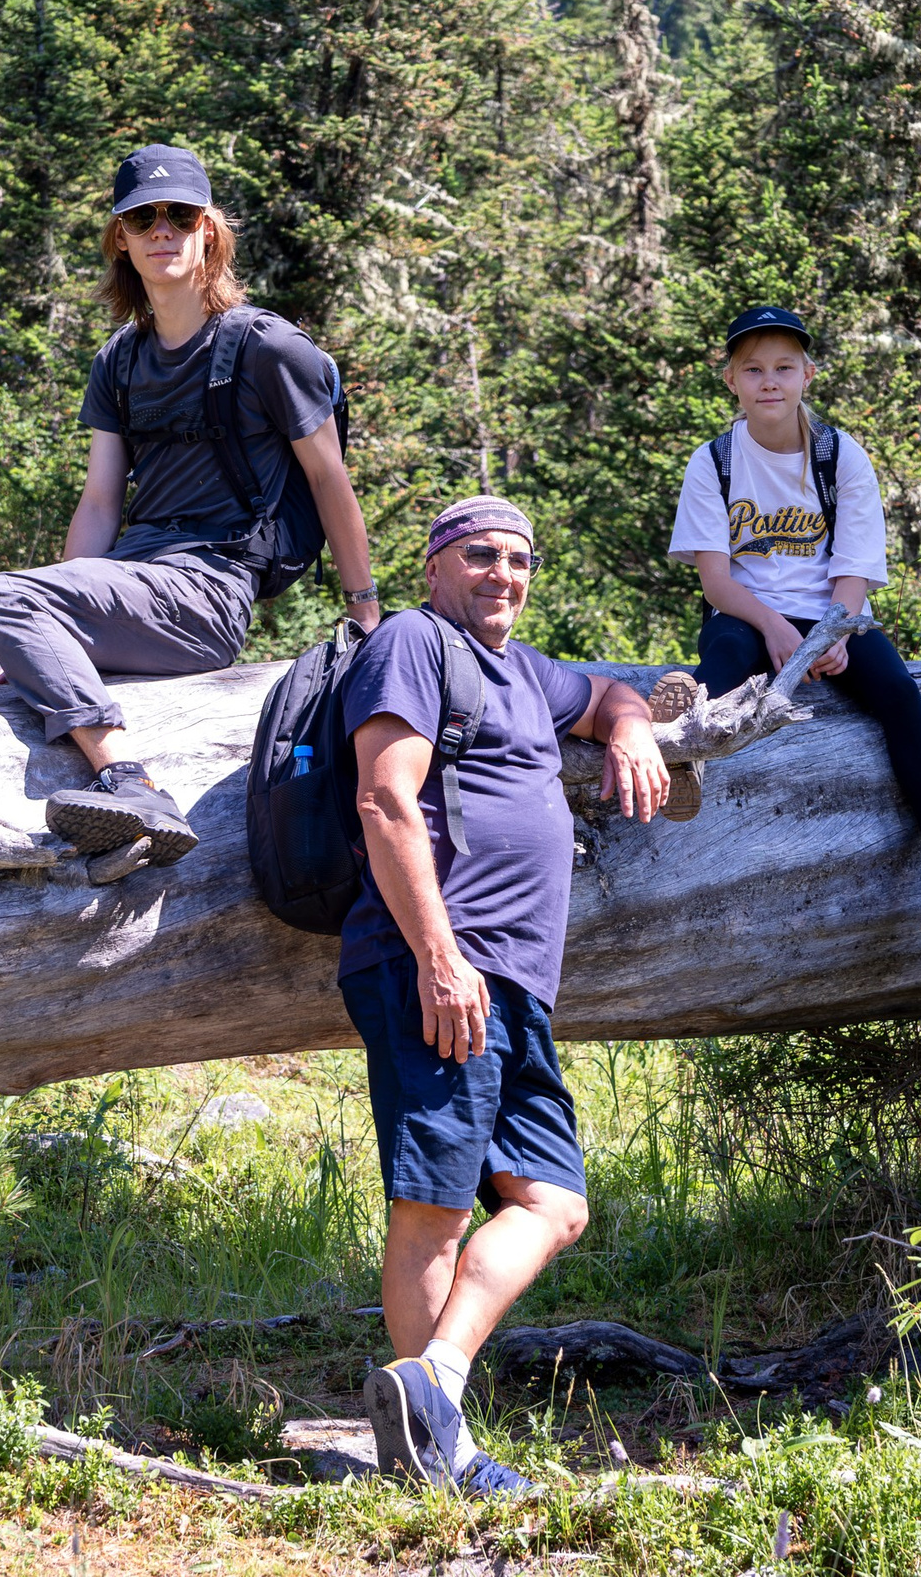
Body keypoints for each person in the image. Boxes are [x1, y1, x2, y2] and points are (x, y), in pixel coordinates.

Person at [0, 144, 381, 872]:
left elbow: (332, 481)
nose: (162, 230)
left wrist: (364, 610)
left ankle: (129, 781)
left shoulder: (267, 348)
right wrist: (47, 626)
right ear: (122, 237)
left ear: (209, 229)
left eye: (180, 214)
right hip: (127, 583)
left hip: (206, 591)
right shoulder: (120, 359)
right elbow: (100, 502)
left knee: (0, 596)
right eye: (143, 217)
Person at [343, 496, 668, 1496]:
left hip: (514, 984)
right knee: (434, 1209)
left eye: (520, 559)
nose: (503, 574)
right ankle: (435, 1458)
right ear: (434, 565)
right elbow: (385, 796)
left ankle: (433, 1385)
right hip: (441, 967)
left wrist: (633, 729)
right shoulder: (411, 641)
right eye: (480, 554)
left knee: (554, 1201)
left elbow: (608, 692)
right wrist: (439, 959)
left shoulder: (526, 673)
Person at [664, 305, 921, 939]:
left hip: (835, 614)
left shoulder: (840, 457)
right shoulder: (714, 462)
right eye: (753, 369)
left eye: (784, 368)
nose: (770, 381)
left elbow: (855, 570)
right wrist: (778, 631)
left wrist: (832, 632)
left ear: (807, 375)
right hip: (745, 609)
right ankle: (685, 756)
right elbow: (716, 583)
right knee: (727, 661)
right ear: (731, 380)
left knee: (899, 695)